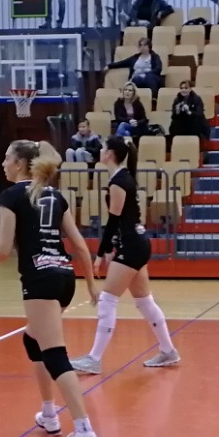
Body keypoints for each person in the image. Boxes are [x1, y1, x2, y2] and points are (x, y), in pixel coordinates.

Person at [0, 140, 102, 437]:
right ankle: (48, 414)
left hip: (40, 278)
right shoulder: (56, 196)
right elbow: (80, 246)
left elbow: (4, 248)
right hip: (64, 277)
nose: (3, 163)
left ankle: (84, 431)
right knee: (33, 340)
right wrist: (90, 286)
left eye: (6, 158)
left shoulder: (11, 196)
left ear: (19, 163)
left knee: (55, 354)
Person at [72, 135, 180, 374]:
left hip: (132, 244)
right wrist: (113, 246)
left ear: (109, 154)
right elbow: (123, 220)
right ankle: (168, 350)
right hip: (135, 242)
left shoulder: (119, 181)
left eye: (103, 148)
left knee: (108, 299)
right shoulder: (122, 178)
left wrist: (101, 252)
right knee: (144, 301)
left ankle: (94, 359)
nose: (100, 151)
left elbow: (114, 220)